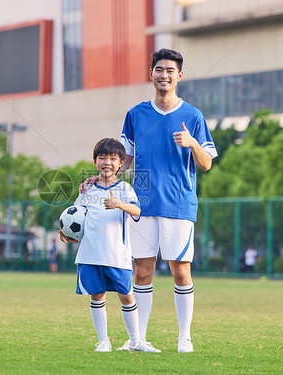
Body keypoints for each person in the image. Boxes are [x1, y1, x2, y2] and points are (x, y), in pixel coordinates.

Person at [81, 48, 217, 352]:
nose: (164, 75)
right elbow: (123, 161)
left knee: (181, 269)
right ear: (151, 73)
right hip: (140, 204)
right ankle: (138, 340)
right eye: (159, 69)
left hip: (179, 204)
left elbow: (206, 163)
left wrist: (193, 143)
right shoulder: (135, 114)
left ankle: (185, 338)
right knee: (142, 270)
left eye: (170, 70)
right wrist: (99, 179)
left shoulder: (193, 116)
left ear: (179, 75)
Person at [60, 138, 159, 353]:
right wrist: (68, 235)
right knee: (97, 296)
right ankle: (103, 341)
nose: (107, 162)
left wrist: (119, 204)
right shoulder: (86, 190)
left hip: (117, 255)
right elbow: (77, 219)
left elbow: (138, 211)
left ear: (122, 163)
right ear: (95, 161)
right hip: (90, 255)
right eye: (102, 157)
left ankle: (136, 341)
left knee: (127, 296)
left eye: (113, 158)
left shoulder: (124, 188)